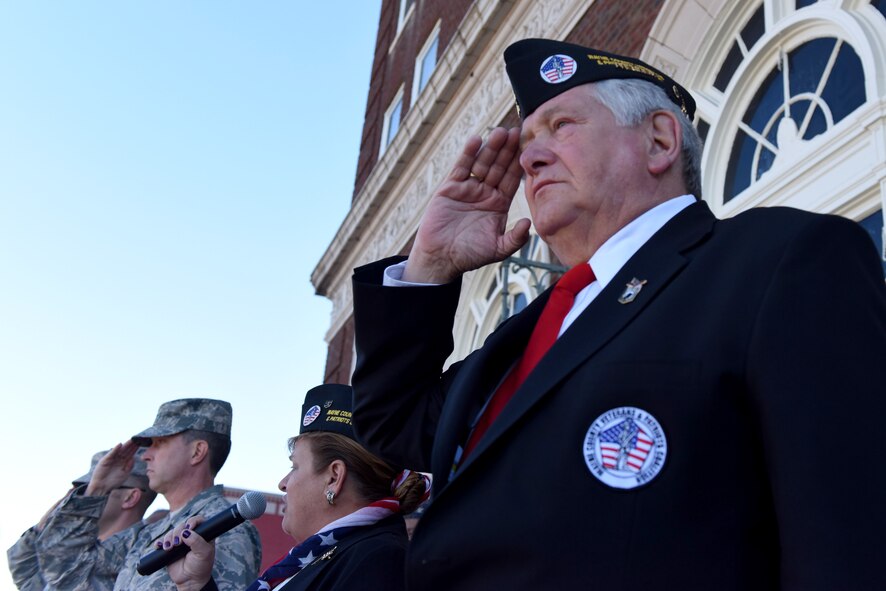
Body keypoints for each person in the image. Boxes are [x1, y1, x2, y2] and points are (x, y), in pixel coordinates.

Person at [349, 38, 886, 590]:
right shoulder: (530, 333)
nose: (530, 157)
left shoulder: (779, 261)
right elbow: (393, 425)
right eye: (528, 140)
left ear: (659, 140)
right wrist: (431, 265)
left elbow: (848, 543)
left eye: (561, 126)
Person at [161, 384, 429, 591]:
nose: (283, 483)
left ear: (334, 477)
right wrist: (195, 584)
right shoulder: (323, 557)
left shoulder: (378, 560)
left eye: (294, 467)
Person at [37, 398, 262, 590]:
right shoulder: (146, 533)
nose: (146, 455)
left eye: (159, 443)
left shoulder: (223, 527)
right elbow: (62, 568)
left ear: (197, 452)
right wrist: (97, 489)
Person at [7, 449, 155, 591]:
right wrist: (54, 517)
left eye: (93, 488)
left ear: (129, 498)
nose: (78, 497)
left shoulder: (135, 556)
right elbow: (25, 572)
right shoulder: (79, 554)